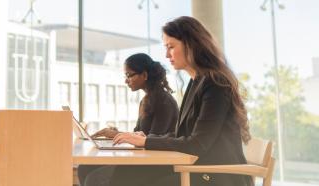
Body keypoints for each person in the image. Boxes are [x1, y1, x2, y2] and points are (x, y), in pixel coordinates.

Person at [100, 16, 253, 186]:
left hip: (217, 175)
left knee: (136, 177)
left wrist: (145, 141)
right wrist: (147, 137)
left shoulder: (216, 84)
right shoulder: (196, 81)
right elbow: (184, 135)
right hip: (197, 168)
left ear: (191, 45)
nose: (166, 55)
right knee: (127, 173)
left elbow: (197, 144)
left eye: (171, 47)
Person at [77, 53, 179, 186]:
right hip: (144, 159)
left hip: (156, 164)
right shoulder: (146, 100)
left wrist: (122, 136)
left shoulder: (164, 101)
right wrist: (116, 134)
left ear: (144, 75)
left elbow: (155, 140)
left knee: (95, 179)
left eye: (129, 75)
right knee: (84, 167)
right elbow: (139, 134)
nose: (126, 80)